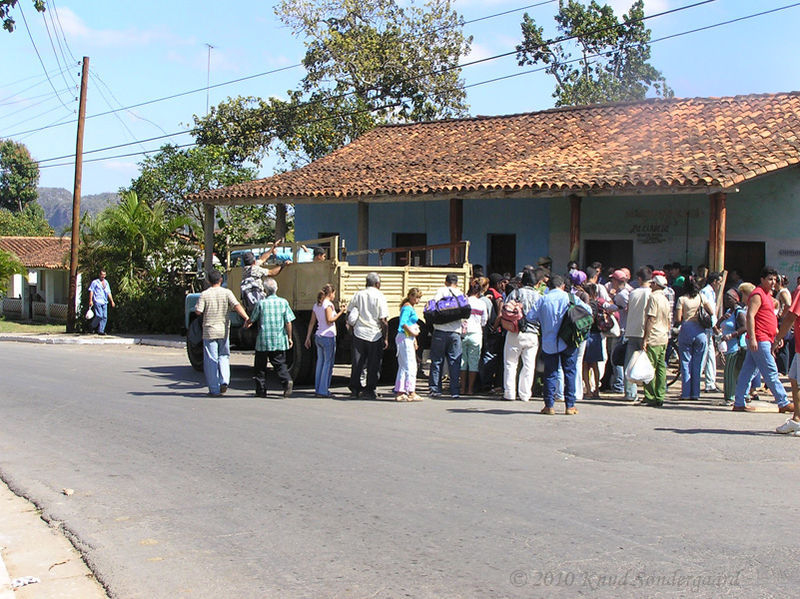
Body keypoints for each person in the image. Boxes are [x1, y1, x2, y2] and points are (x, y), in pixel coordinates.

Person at [527, 274, 590, 415]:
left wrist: (543, 321)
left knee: (550, 374)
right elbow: (589, 311)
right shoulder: (571, 298)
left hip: (549, 342)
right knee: (570, 372)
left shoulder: (543, 299)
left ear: (549, 287)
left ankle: (549, 406)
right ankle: (570, 406)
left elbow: (530, 317)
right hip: (568, 341)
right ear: (562, 286)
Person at [733, 267, 794, 413]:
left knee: (747, 371)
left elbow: (769, 317)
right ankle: (783, 401)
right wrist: (753, 338)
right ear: (762, 279)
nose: (773, 282)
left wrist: (777, 335)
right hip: (759, 339)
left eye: (774, 279)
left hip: (766, 337)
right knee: (771, 371)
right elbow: (750, 316)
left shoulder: (768, 295)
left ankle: (739, 402)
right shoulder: (757, 295)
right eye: (770, 279)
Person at [195, 269, 250, 396]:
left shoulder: (204, 294)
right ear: (221, 280)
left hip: (209, 331)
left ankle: (214, 388)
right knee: (224, 355)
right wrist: (246, 317)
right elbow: (236, 305)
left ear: (208, 281)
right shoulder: (227, 292)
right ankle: (224, 380)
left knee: (211, 359)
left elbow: (198, 311)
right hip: (224, 330)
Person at [247, 277, 295, 398]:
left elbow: (253, 319)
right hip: (279, 339)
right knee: (280, 364)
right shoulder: (283, 302)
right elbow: (288, 322)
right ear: (276, 288)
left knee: (260, 367)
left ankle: (261, 390)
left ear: (265, 290)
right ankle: (286, 381)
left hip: (263, 340)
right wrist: (289, 337)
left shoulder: (261, 303)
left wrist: (247, 323)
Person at [346, 273, 389, 400]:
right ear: (377, 284)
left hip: (359, 333)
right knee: (373, 364)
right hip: (374, 334)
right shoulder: (380, 296)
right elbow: (383, 320)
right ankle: (369, 389)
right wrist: (385, 337)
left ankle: (355, 388)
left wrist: (350, 329)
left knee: (357, 363)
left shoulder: (358, 294)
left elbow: (349, 312)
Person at [675, 276, 715, 401]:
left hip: (686, 329)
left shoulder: (682, 299)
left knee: (686, 363)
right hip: (700, 332)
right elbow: (712, 311)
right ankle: (695, 393)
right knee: (697, 364)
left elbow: (678, 318)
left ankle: (686, 393)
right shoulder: (701, 297)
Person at [502, 270, 540, 401]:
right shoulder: (539, 296)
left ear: (521, 282)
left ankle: (509, 393)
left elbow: (505, 309)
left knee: (510, 363)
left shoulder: (515, 293)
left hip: (514, 332)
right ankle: (525, 394)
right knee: (529, 365)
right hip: (532, 334)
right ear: (535, 283)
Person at [428, 274, 466, 398]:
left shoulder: (441, 291)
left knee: (437, 361)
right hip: (455, 332)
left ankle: (435, 389)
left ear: (446, 282)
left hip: (440, 331)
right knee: (454, 362)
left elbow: (433, 307)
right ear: (456, 282)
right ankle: (454, 391)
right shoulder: (460, 293)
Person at [304, 284, 345, 397]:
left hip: (318, 335)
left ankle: (318, 388)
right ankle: (323, 390)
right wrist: (341, 312)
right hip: (328, 336)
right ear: (330, 293)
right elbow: (330, 320)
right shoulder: (328, 305)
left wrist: (308, 337)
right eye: (334, 293)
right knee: (328, 363)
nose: (334, 296)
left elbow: (312, 322)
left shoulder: (317, 305)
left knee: (320, 363)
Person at [623, 267, 653, 402]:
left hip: (632, 331)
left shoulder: (633, 293)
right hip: (645, 331)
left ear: (639, 279)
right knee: (646, 362)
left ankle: (630, 393)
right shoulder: (651, 294)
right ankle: (649, 392)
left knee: (630, 363)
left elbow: (628, 309)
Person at [641, 274, 671, 407]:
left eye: (653, 283)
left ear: (657, 285)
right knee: (661, 368)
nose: (651, 285)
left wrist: (645, 338)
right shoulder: (665, 299)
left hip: (653, 336)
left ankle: (650, 396)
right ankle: (660, 395)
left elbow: (651, 318)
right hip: (663, 336)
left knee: (649, 367)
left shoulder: (653, 297)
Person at [719, 288, 747, 406]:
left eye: (728, 298)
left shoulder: (739, 312)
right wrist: (721, 319)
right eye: (725, 298)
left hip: (735, 347)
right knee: (728, 372)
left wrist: (731, 335)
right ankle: (729, 396)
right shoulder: (729, 312)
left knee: (731, 373)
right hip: (727, 347)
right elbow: (717, 326)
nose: (726, 300)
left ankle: (730, 398)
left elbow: (744, 327)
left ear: (736, 299)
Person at [395, 288, 423, 402]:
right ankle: (411, 391)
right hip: (405, 338)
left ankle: (401, 390)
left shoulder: (408, 307)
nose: (418, 300)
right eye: (416, 297)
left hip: (406, 338)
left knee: (403, 365)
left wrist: (414, 339)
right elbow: (403, 323)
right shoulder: (407, 308)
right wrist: (413, 333)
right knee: (410, 365)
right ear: (411, 296)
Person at [461, 281, 488, 396]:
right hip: (476, 334)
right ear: (478, 292)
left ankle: (462, 388)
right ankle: (470, 389)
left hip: (463, 333)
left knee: (462, 361)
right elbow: (484, 321)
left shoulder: (464, 301)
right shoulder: (481, 303)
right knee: (473, 362)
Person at [700, 272, 723, 392]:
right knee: (704, 355)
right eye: (719, 281)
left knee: (710, 356)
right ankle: (696, 382)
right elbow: (709, 312)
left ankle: (710, 383)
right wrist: (715, 327)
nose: (720, 284)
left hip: (709, 328)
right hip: (707, 327)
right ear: (714, 281)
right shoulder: (706, 292)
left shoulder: (711, 292)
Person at [88, 269, 116, 335]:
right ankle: (92, 326)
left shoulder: (106, 283)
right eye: (102, 274)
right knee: (99, 315)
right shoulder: (95, 282)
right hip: (97, 301)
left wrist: (112, 301)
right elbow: (91, 291)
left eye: (104, 275)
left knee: (104, 317)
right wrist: (90, 300)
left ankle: (101, 330)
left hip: (104, 301)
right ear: (99, 275)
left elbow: (108, 292)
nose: (103, 276)